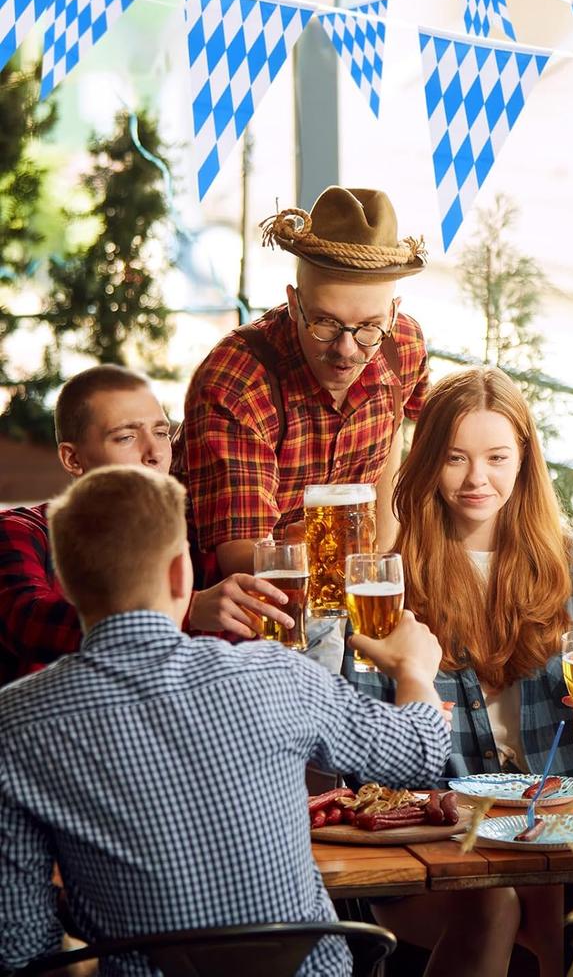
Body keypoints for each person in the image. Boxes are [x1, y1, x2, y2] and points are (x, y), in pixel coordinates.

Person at [0, 464, 450, 976]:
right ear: (181, 573)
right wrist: (413, 671)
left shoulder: (15, 723)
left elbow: (19, 948)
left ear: (68, 584)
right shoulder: (274, 673)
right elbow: (420, 754)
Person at [344, 367, 573, 977]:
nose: (478, 478)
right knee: (509, 898)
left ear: (525, 461)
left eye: (497, 458)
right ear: (427, 464)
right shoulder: (387, 588)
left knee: (560, 887)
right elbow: (371, 766)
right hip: (438, 845)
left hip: (566, 835)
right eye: (455, 458)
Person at [171, 186, 429, 585]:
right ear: (294, 303)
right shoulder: (237, 382)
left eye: (368, 327)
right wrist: (335, 555)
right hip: (220, 599)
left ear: (393, 315)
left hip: (346, 589)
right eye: (325, 322)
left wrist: (377, 568)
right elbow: (242, 558)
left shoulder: (404, 346)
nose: (346, 349)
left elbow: (395, 429)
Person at [0, 365, 298, 687]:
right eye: (126, 437)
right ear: (73, 459)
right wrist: (187, 609)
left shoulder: (194, 539)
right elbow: (26, 620)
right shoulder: (20, 531)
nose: (155, 453)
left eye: (161, 433)